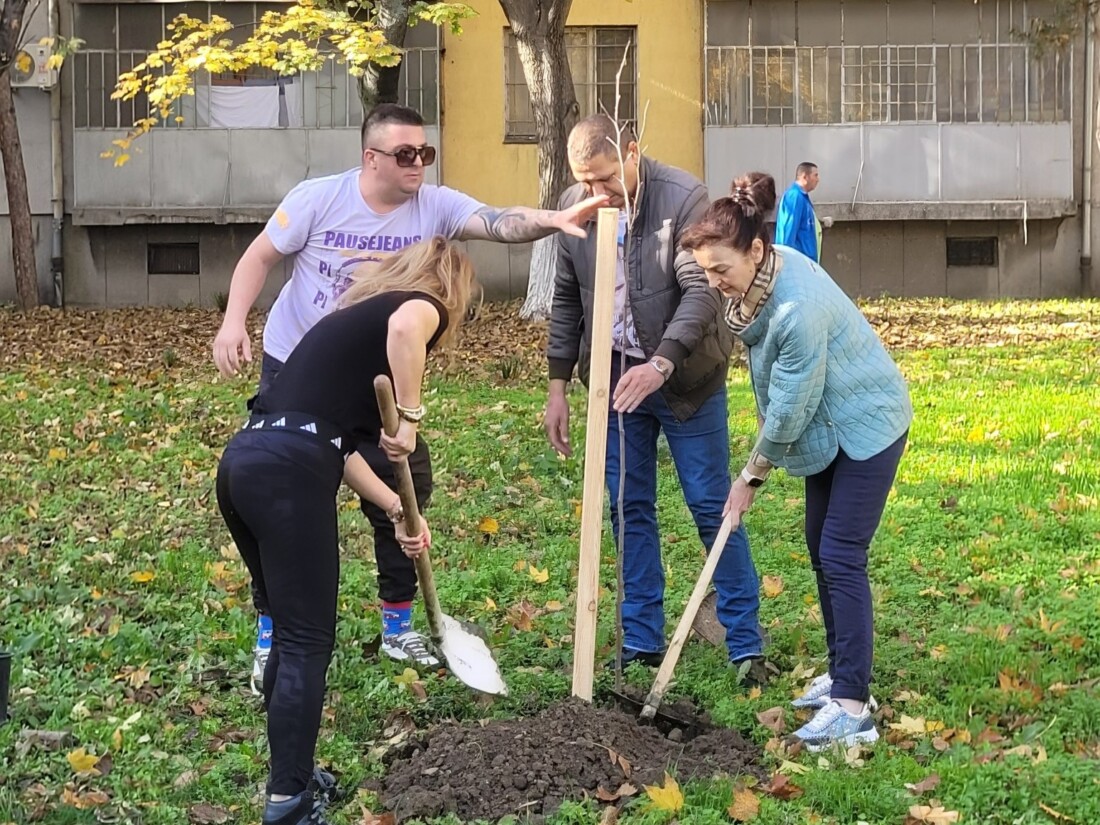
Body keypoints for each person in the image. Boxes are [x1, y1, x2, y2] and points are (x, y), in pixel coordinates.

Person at [211, 103, 606, 689]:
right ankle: (273, 631)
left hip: (376, 377)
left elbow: (499, 221)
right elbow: (260, 257)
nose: (418, 163)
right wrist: (232, 322)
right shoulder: (319, 197)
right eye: (404, 154)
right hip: (297, 369)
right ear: (370, 158)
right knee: (294, 500)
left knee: (403, 487)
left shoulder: (436, 205)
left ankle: (398, 627)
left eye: (425, 152)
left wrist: (555, 217)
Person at [216, 237, 474, 825]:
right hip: (288, 474)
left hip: (245, 462)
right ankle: (288, 805)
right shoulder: (419, 302)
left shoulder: (347, 327)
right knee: (308, 642)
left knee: (287, 631)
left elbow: (331, 440)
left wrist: (395, 507)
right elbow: (410, 330)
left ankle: (296, 777)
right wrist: (409, 416)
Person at [681, 172, 913, 751]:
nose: (714, 284)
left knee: (840, 553)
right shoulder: (764, 274)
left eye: (720, 271)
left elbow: (788, 408)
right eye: (705, 272)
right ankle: (842, 675)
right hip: (832, 427)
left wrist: (749, 479)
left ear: (755, 251)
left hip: (868, 424)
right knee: (821, 548)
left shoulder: (796, 311)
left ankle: (853, 708)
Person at [544, 114, 765, 678]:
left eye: (605, 180)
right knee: (628, 506)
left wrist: (661, 362)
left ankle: (746, 644)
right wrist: (558, 386)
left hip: (686, 375)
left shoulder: (683, 197)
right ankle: (641, 641)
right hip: (616, 377)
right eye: (584, 182)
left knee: (711, 504)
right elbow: (568, 297)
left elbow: (701, 293)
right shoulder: (579, 205)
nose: (596, 194)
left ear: (632, 152)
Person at [774, 161, 830, 262]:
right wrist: (788, 261)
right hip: (798, 261)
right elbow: (788, 231)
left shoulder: (802, 197)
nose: (818, 179)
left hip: (806, 260)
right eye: (815, 175)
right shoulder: (794, 197)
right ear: (805, 177)